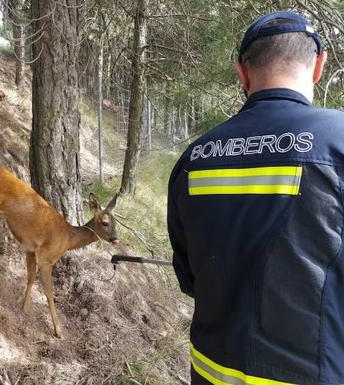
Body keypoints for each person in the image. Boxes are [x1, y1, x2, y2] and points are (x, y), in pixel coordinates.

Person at [167, 11, 344, 385]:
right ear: (318, 68)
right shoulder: (338, 143)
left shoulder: (194, 159)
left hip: (210, 373)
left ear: (242, 74)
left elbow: (189, 278)